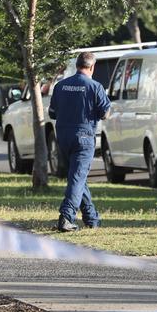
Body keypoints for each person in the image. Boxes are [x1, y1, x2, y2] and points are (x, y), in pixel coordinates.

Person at [49, 52, 110, 232]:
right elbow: (105, 113)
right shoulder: (95, 86)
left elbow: (52, 113)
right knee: (77, 177)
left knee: (77, 177)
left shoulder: (60, 86)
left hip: (64, 137)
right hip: (84, 137)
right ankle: (66, 216)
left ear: (77, 65)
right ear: (92, 67)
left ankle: (92, 218)